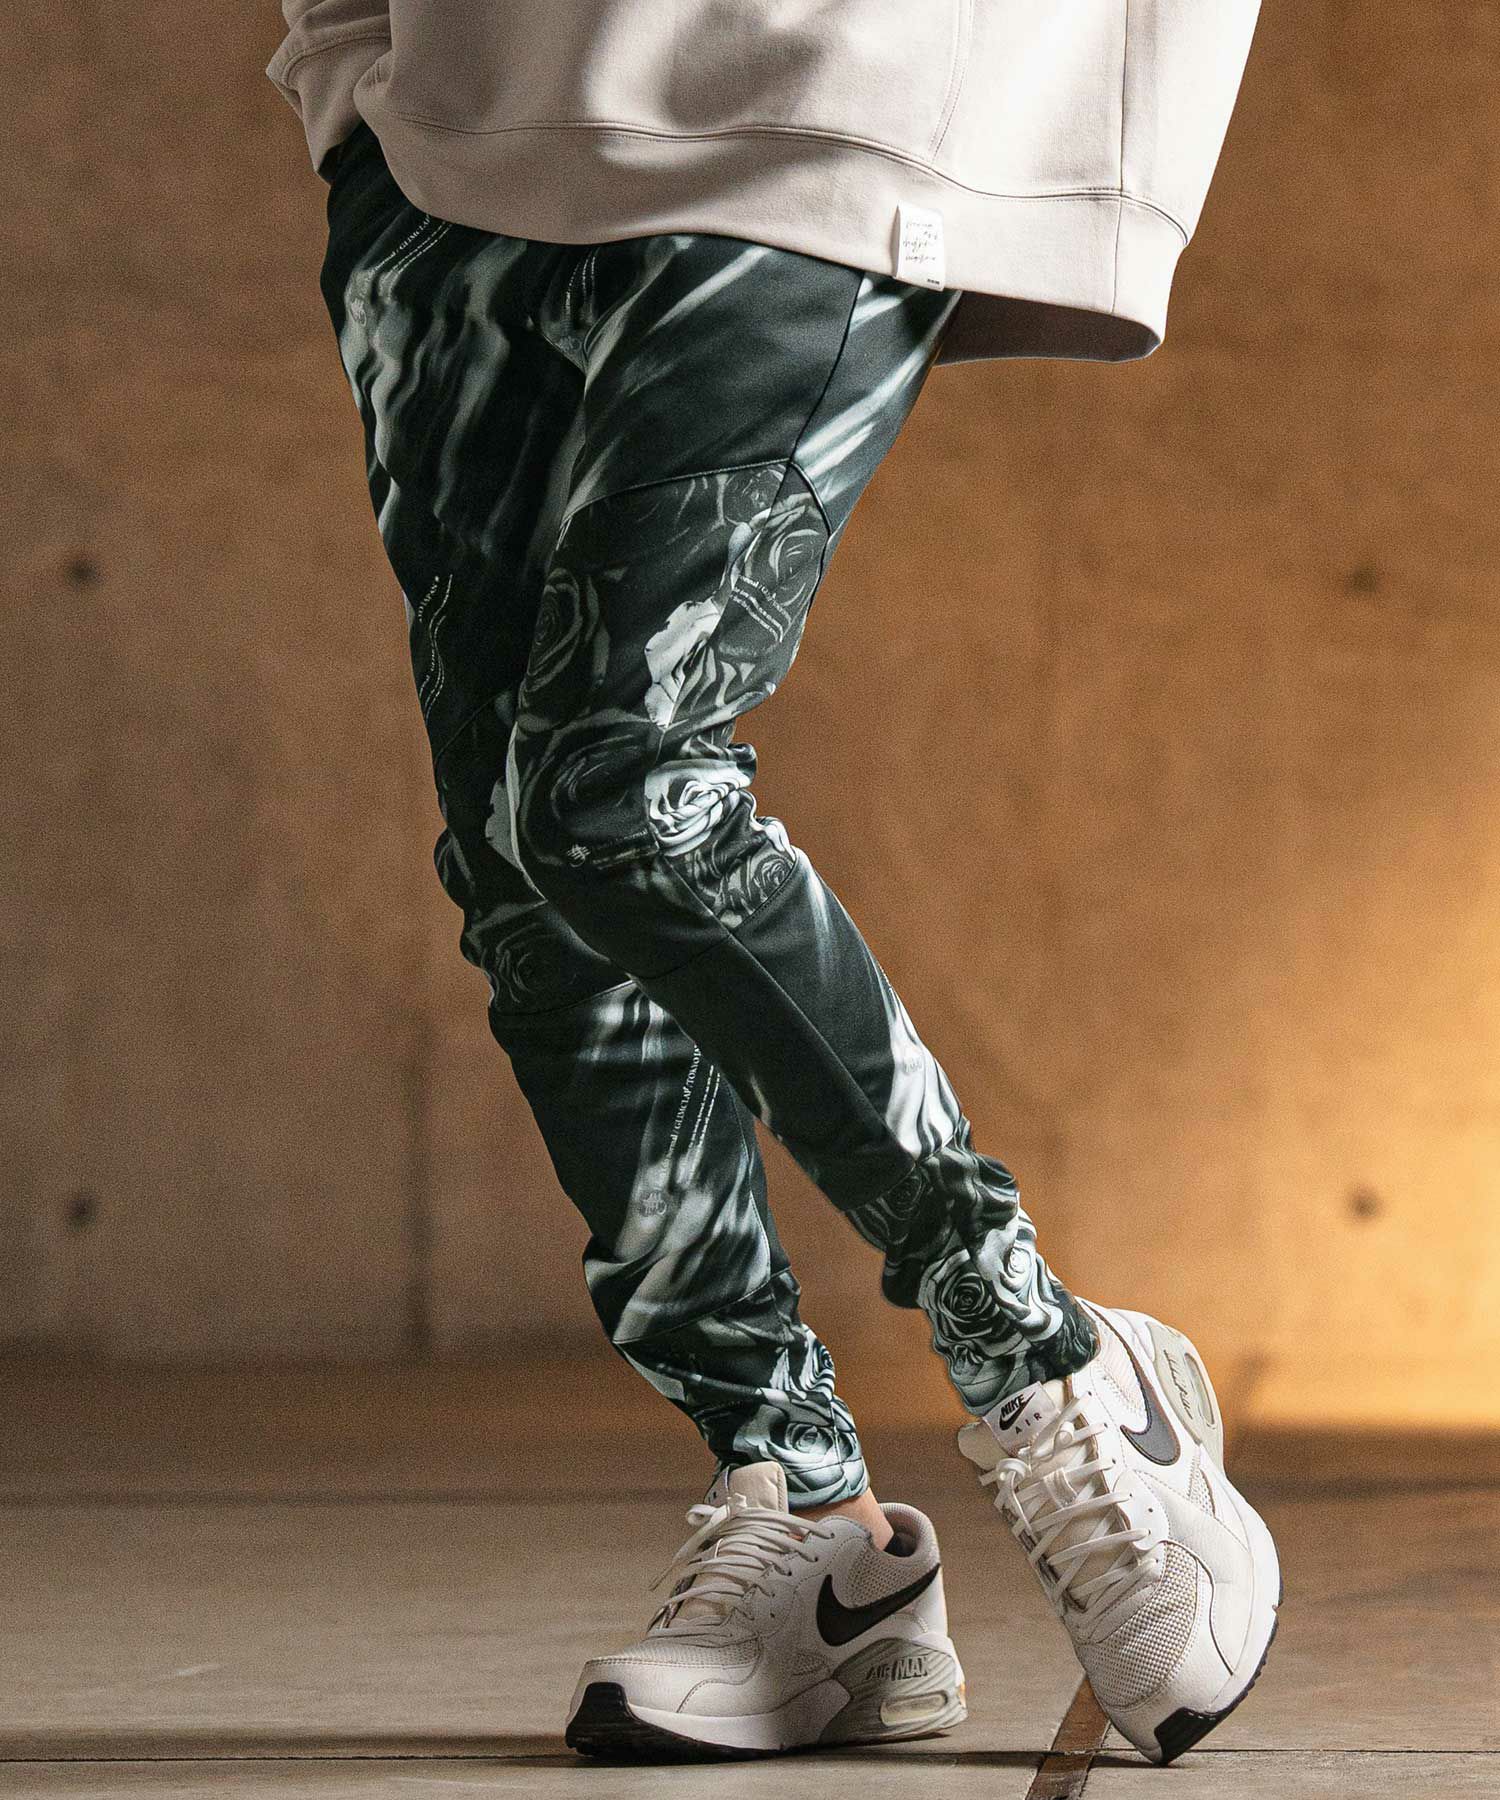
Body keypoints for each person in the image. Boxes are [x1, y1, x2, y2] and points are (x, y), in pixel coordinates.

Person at [266, 0, 1275, 1767]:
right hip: (447, 124)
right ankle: (807, 1514)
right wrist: (354, 77)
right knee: (522, 872)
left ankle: (1050, 1368)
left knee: (622, 794)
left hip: (831, 89)